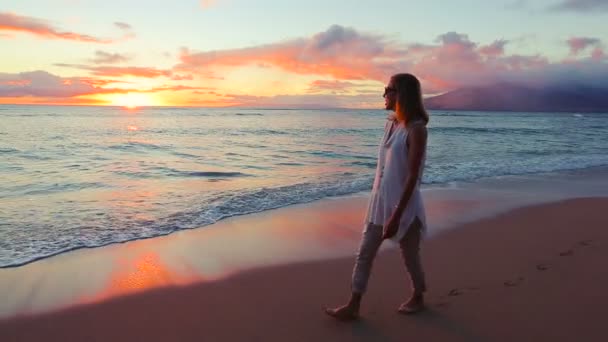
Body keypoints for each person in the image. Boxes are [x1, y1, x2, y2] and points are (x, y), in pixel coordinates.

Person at [325, 73, 430, 320]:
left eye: (388, 89)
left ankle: (418, 295)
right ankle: (353, 304)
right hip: (379, 202)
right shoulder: (390, 124)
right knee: (365, 253)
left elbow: (413, 176)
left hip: (404, 205)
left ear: (401, 94)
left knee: (410, 255)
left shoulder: (417, 130)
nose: (384, 94)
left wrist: (397, 214)